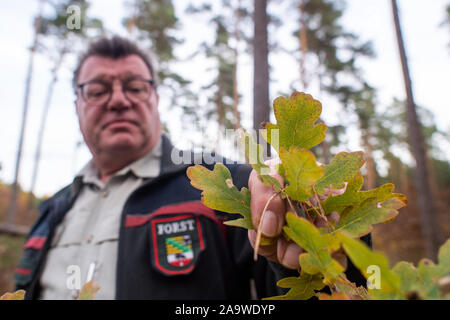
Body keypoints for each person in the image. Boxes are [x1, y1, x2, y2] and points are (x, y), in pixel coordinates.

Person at [15, 36, 369, 300]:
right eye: (98, 89)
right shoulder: (52, 210)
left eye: (135, 87)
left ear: (155, 99)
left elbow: (295, 288)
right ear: (77, 102)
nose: (119, 100)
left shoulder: (225, 184)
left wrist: (319, 233)